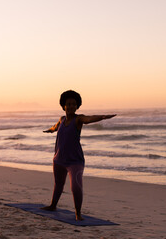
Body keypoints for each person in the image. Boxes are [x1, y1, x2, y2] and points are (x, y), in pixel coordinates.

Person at [41, 90, 116, 221]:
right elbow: (56, 126)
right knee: (58, 184)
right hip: (59, 160)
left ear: (77, 106)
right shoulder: (62, 119)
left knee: (76, 186)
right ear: (63, 106)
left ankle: (78, 213)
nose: (71, 106)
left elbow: (89, 119)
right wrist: (50, 130)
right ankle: (53, 206)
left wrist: (102, 117)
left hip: (75, 161)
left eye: (74, 104)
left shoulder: (78, 119)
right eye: (68, 104)